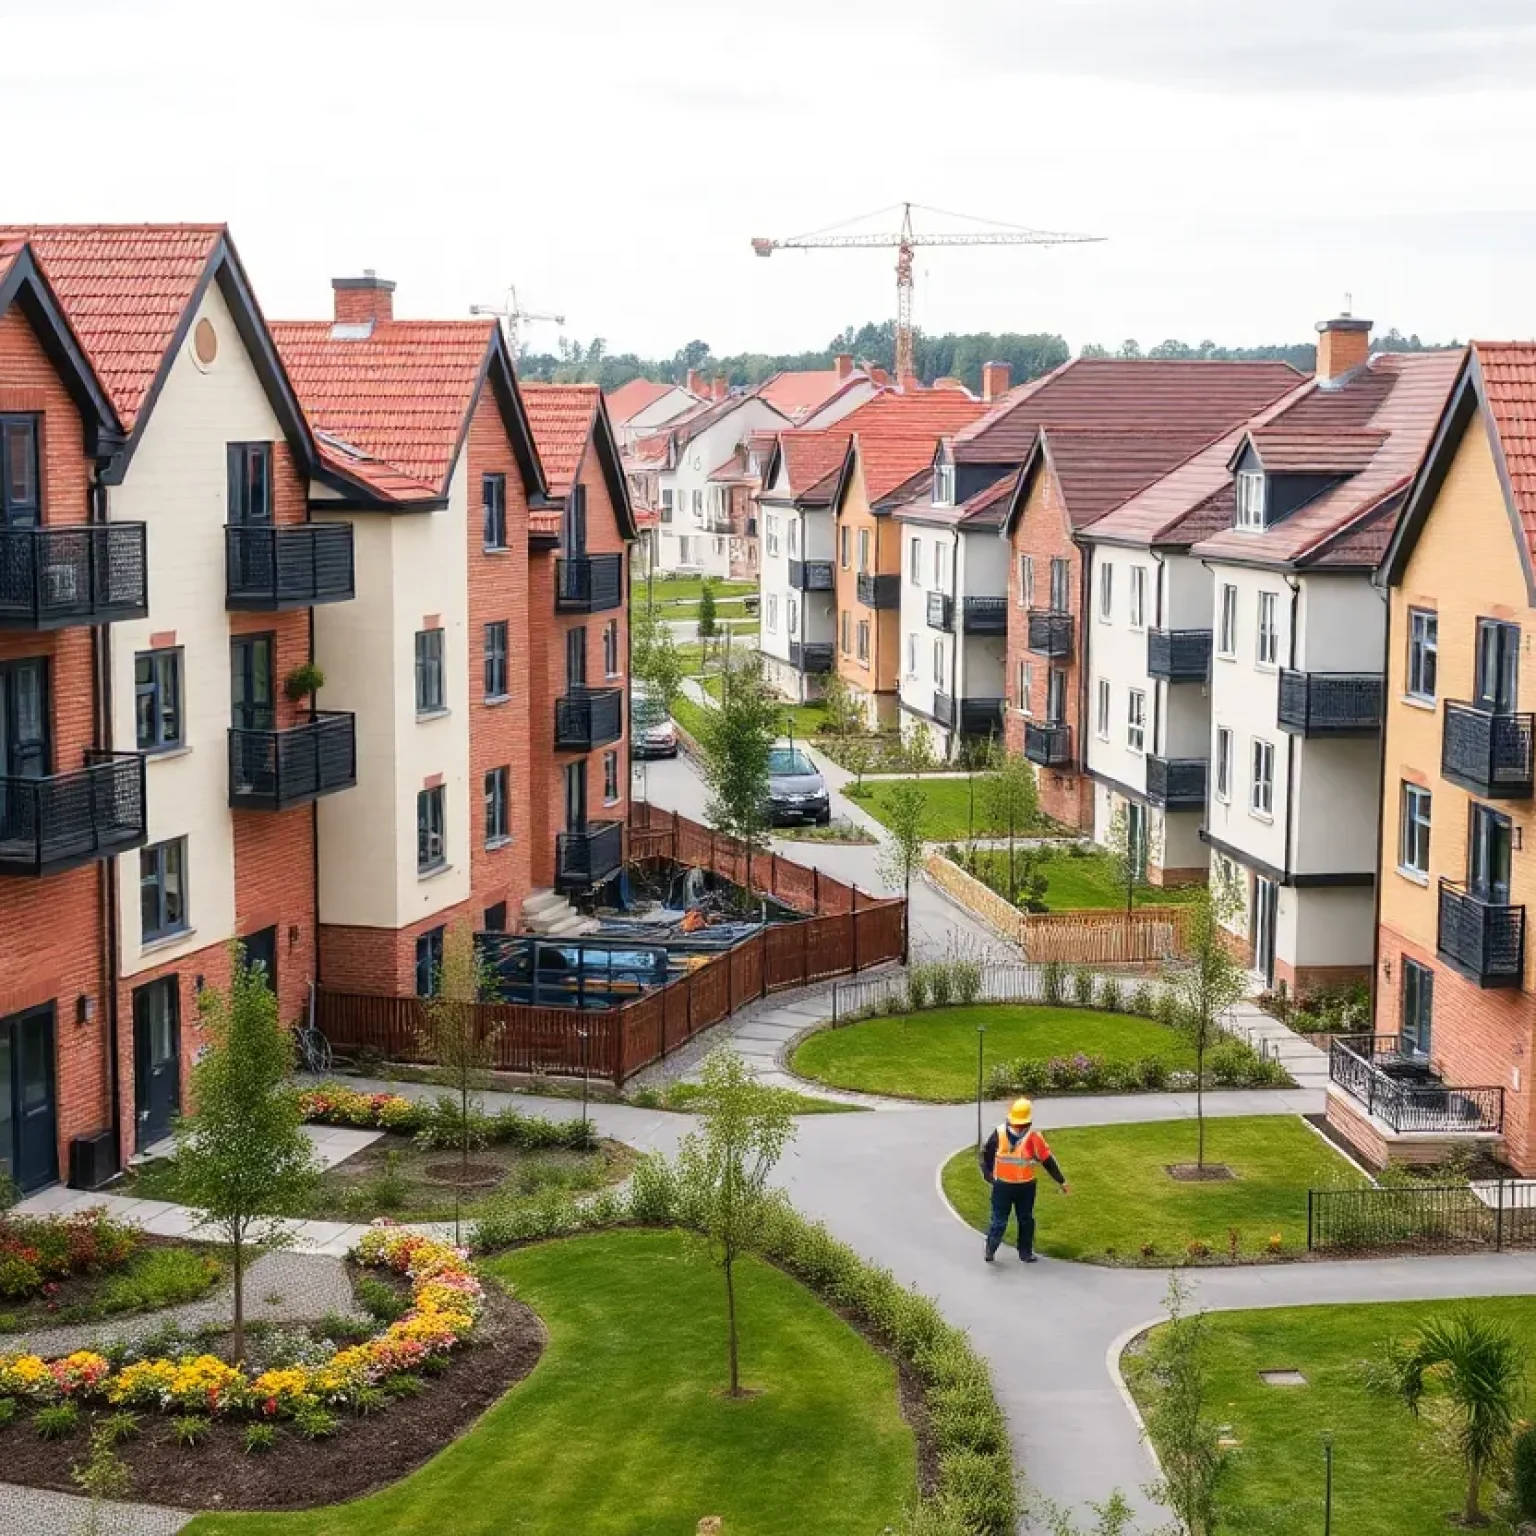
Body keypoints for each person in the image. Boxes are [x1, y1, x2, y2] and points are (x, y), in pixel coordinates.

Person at [979, 1098, 1068, 1263]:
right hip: (1003, 1186)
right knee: (999, 1222)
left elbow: (1047, 1160)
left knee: (1026, 1220)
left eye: (1022, 1124)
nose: (1019, 1128)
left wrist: (1061, 1181)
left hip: (1026, 1187)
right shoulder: (999, 1133)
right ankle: (990, 1248)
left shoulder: (1034, 1137)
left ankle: (1025, 1253)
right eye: (1017, 1124)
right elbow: (986, 1155)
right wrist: (988, 1174)